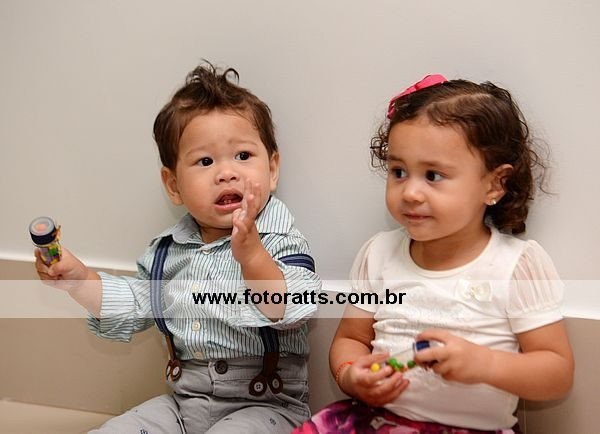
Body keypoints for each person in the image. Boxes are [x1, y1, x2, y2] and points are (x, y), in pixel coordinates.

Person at [34, 62, 321, 433]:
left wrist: (252, 254)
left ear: (273, 169)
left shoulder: (279, 237)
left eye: (243, 156)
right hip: (185, 404)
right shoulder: (168, 252)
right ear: (174, 186)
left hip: (266, 407)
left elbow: (291, 307)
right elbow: (134, 303)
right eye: (205, 161)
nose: (227, 173)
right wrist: (78, 280)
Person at [294, 75, 573, 433]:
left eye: (433, 175)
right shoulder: (379, 254)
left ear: (494, 184)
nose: (410, 192)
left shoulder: (514, 266)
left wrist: (485, 364)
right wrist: (351, 375)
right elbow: (351, 339)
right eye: (399, 172)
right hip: (375, 422)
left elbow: (557, 372)